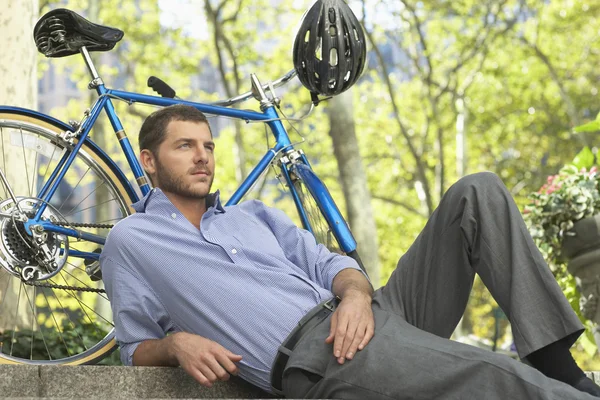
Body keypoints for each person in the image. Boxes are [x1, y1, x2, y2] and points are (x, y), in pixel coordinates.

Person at [100, 104, 600, 399]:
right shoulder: (134, 241)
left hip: (371, 312)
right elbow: (133, 345)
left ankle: (559, 364)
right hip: (327, 356)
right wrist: (175, 345)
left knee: (478, 192)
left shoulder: (252, 215)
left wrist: (357, 298)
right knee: (502, 378)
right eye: (185, 146)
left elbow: (331, 263)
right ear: (149, 160)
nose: (202, 156)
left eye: (208, 146)